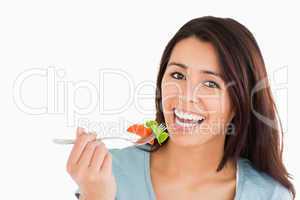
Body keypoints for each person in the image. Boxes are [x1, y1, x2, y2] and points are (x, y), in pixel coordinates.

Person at [66, 16, 296, 200]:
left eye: (210, 83)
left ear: (240, 103)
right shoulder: (107, 174)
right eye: (178, 75)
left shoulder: (269, 195)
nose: (186, 96)